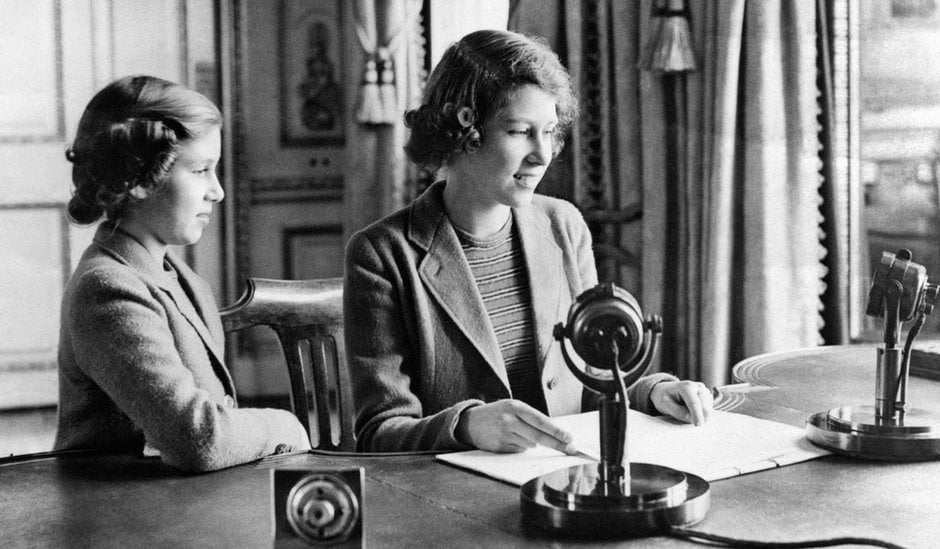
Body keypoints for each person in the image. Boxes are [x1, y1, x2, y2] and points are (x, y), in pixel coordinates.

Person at [344, 29, 713, 454]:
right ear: (461, 132)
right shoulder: (380, 254)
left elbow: (590, 378)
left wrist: (653, 392)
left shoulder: (563, 225)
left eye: (550, 132)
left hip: (563, 479)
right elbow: (378, 432)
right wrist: (466, 427)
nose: (543, 155)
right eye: (521, 132)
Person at [54, 75, 309, 472]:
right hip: (119, 521)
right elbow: (200, 439)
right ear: (139, 178)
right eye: (200, 171)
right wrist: (288, 425)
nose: (218, 191)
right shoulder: (106, 289)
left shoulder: (183, 280)